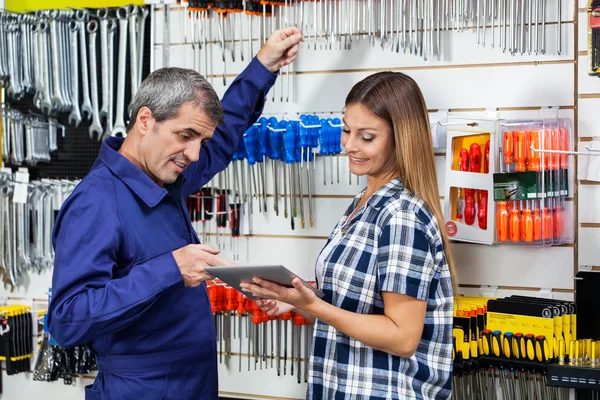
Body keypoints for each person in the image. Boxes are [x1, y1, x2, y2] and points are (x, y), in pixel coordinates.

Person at [47, 27, 303, 400]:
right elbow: (68, 318)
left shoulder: (166, 174)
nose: (196, 155)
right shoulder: (97, 202)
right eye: (185, 136)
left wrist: (262, 66)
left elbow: (226, 130)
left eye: (201, 141)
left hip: (195, 382)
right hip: (140, 389)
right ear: (146, 120)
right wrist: (171, 268)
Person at [241, 71, 458, 399]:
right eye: (346, 130)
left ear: (401, 138)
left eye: (366, 136)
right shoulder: (363, 203)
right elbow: (360, 302)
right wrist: (297, 298)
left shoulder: (401, 216)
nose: (349, 145)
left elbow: (402, 336)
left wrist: (313, 306)